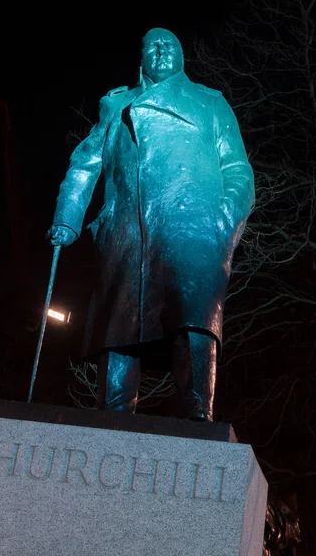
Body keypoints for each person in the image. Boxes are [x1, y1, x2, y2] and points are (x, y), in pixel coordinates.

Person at [49, 28, 255, 421]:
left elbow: (237, 170)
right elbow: (86, 163)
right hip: (126, 230)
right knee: (119, 324)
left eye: (170, 45)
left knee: (193, 314)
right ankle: (112, 410)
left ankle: (197, 409)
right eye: (152, 46)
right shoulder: (117, 105)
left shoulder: (209, 103)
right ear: (140, 57)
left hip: (193, 228)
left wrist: (222, 221)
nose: (161, 51)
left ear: (183, 56)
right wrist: (68, 217)